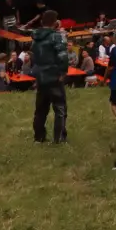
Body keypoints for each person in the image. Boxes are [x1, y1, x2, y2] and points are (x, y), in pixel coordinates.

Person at [30, 10, 70, 143]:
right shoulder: (56, 36)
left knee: (40, 109)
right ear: (55, 22)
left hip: (41, 77)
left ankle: (39, 137)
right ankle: (59, 138)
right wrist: (63, 72)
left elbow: (33, 56)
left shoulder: (35, 37)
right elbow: (63, 56)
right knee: (60, 108)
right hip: (54, 76)